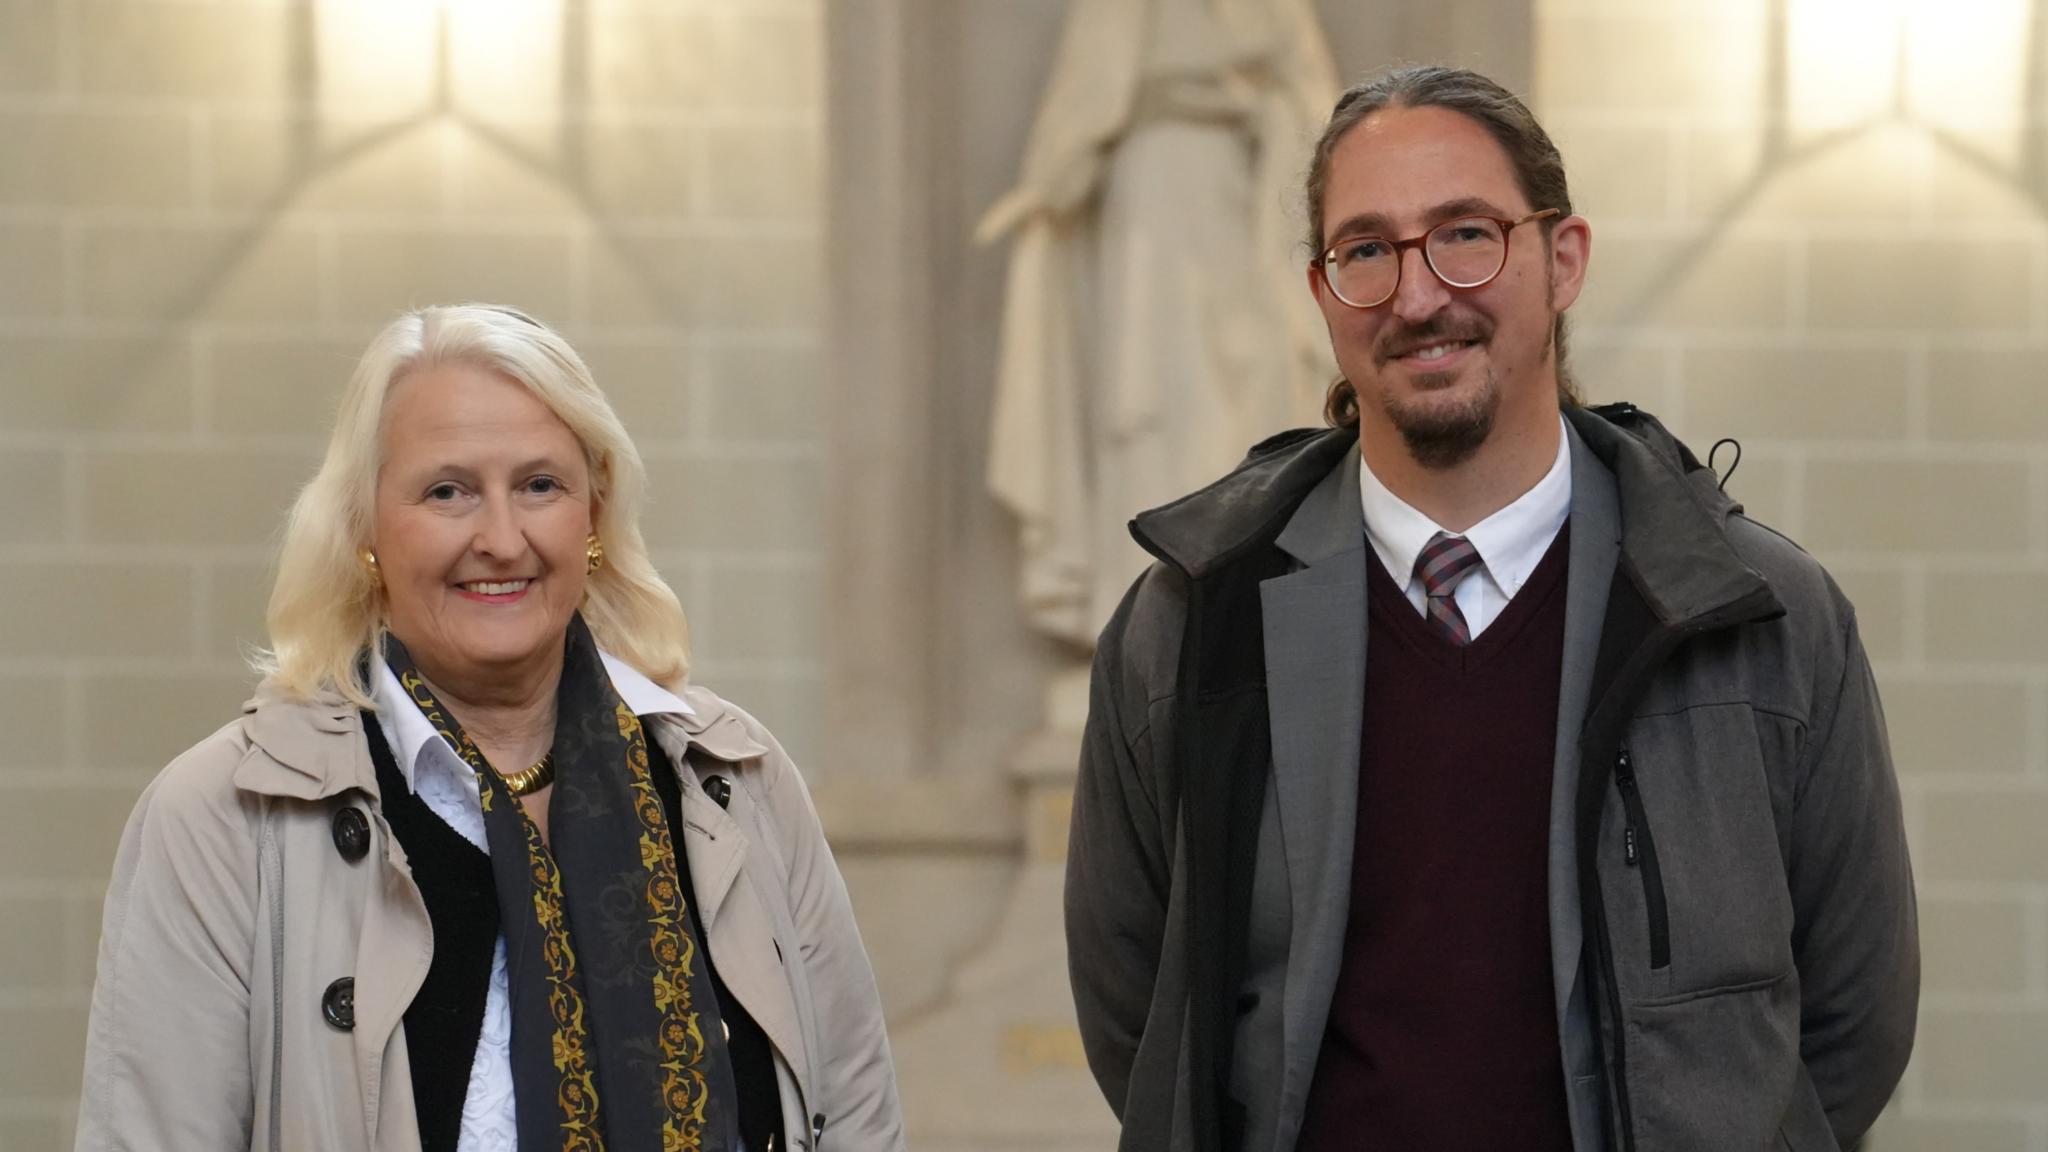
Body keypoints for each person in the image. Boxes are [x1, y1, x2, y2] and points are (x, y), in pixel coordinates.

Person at [1065, 66, 1916, 1152]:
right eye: (1365, 249)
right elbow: (1140, 1021)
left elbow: (1851, 1024)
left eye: (1464, 233)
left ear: (1561, 261)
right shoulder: (1185, 630)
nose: (1417, 295)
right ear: (1323, 293)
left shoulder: (1762, 620)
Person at [76, 304, 904, 1152]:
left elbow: (860, 1117)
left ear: (594, 514)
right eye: (448, 491)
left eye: (540, 485)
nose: (502, 539)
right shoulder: (223, 817)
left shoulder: (740, 781)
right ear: (365, 529)